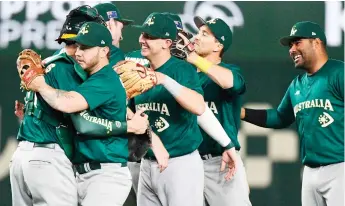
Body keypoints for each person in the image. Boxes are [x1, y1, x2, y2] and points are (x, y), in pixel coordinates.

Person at [26, 22, 140, 206]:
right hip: (85, 174)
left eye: (85, 47)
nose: (78, 52)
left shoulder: (105, 80)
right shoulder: (92, 79)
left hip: (106, 176)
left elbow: (66, 103)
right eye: (77, 46)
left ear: (104, 51)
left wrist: (39, 85)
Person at [10, 5, 107, 206]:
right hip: (47, 157)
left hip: (23, 156)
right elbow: (78, 113)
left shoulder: (49, 61)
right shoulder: (67, 68)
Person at [241, 21, 344, 206]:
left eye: (298, 42)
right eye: (290, 45)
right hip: (310, 171)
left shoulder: (339, 73)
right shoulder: (297, 85)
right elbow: (280, 117)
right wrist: (241, 112)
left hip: (340, 168)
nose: (292, 49)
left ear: (316, 42)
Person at [130, 12, 205, 206]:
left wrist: (164, 80)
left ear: (167, 43)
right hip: (147, 163)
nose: (142, 40)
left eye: (150, 37)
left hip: (180, 163)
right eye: (143, 34)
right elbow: (128, 114)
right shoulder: (136, 69)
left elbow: (198, 106)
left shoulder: (181, 70)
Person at [179, 16, 252, 206]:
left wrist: (193, 58)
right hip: (189, 162)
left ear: (218, 46)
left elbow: (231, 83)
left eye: (204, 34)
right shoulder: (187, 76)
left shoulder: (229, 71)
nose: (196, 37)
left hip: (221, 162)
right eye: (197, 32)